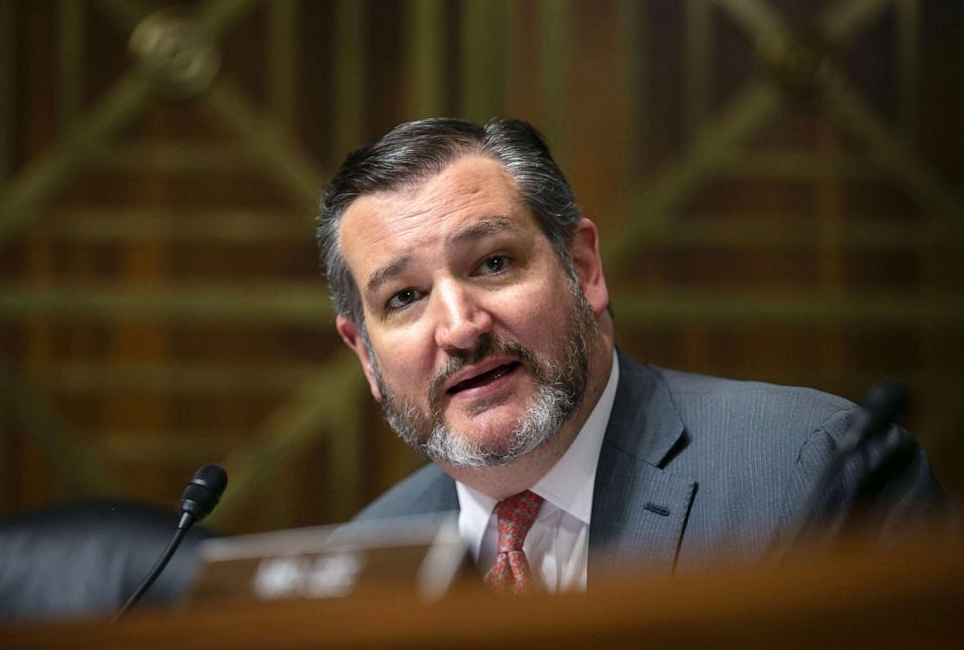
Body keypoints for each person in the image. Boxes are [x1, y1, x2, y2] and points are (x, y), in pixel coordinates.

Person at [317, 117, 956, 593]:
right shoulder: (359, 564)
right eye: (404, 297)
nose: (459, 327)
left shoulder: (811, 478)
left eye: (493, 263)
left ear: (584, 268)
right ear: (367, 357)